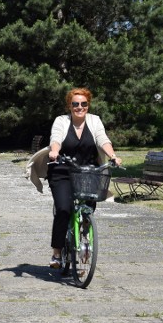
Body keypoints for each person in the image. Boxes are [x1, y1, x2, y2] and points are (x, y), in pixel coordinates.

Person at [41, 88, 122, 269]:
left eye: (83, 104)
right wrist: (54, 150)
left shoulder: (94, 120)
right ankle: (57, 253)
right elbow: (56, 138)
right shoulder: (61, 121)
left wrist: (112, 155)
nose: (80, 107)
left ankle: (84, 235)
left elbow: (103, 139)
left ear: (88, 105)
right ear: (69, 106)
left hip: (87, 172)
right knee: (63, 209)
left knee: (87, 210)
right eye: (75, 104)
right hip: (62, 170)